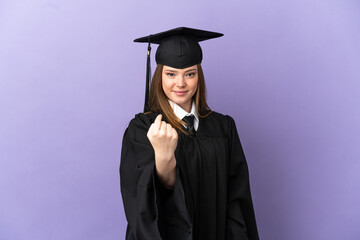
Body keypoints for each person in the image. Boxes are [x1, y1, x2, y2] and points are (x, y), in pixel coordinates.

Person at [120, 27, 260, 240]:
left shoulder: (223, 127)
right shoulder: (144, 129)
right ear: (159, 76)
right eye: (171, 74)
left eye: (190, 74)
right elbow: (142, 203)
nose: (181, 83)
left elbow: (237, 200)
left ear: (199, 75)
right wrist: (163, 155)